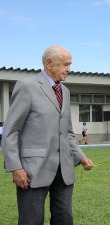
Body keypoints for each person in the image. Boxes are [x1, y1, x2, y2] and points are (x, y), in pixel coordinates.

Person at [1, 45, 93, 225]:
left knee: (64, 220)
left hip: (64, 171)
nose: (69, 69)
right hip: (32, 171)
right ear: (49, 63)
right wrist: (15, 168)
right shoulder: (26, 86)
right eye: (66, 64)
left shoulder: (64, 91)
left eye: (70, 64)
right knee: (31, 221)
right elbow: (10, 131)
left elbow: (66, 132)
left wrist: (81, 157)